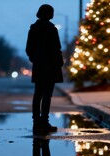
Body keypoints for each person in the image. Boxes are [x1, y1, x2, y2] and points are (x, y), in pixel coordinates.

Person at [26, 4, 64, 134]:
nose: (53, 14)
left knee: (38, 94)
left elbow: (29, 49)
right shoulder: (52, 29)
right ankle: (44, 122)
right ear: (48, 14)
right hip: (51, 66)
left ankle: (36, 123)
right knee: (47, 95)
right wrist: (59, 63)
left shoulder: (33, 29)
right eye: (51, 12)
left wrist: (35, 60)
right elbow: (57, 48)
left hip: (39, 66)